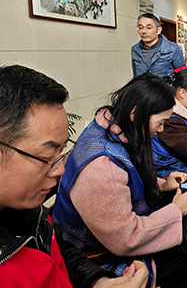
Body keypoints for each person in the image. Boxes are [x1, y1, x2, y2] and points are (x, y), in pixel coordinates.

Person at [53, 73, 187, 288]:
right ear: (136, 114)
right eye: (161, 123)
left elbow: (125, 182)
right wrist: (176, 211)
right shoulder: (101, 166)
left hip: (118, 235)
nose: (161, 130)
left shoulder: (110, 129)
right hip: (104, 257)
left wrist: (162, 184)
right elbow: (125, 238)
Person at [0, 64, 148, 288]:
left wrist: (99, 282)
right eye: (46, 156)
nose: (60, 170)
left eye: (61, 151)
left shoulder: (28, 210)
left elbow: (59, 251)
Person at [131, 13, 186, 77]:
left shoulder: (173, 48)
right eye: (140, 28)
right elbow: (135, 76)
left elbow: (182, 76)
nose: (143, 31)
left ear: (159, 30)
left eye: (148, 28)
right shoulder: (135, 49)